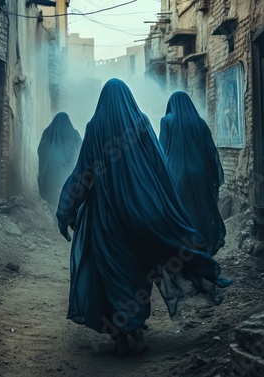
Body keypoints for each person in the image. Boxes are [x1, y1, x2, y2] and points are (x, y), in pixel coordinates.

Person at [56, 79, 231, 355]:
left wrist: (67, 207)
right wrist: (163, 205)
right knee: (137, 271)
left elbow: (84, 172)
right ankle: (135, 329)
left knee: (112, 271)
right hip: (139, 211)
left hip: (106, 218)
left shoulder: (94, 127)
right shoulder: (141, 122)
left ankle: (122, 336)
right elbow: (160, 166)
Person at [160, 91, 226, 256]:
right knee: (200, 210)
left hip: (175, 176)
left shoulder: (166, 121)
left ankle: (183, 250)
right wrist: (214, 179)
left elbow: (161, 150)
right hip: (200, 175)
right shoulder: (200, 123)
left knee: (180, 212)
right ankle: (201, 248)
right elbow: (211, 152)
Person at [37, 112, 82, 215]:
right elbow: (81, 154)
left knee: (53, 204)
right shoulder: (74, 135)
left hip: (51, 179)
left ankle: (55, 221)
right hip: (69, 179)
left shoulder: (47, 133)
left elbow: (41, 153)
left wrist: (43, 174)